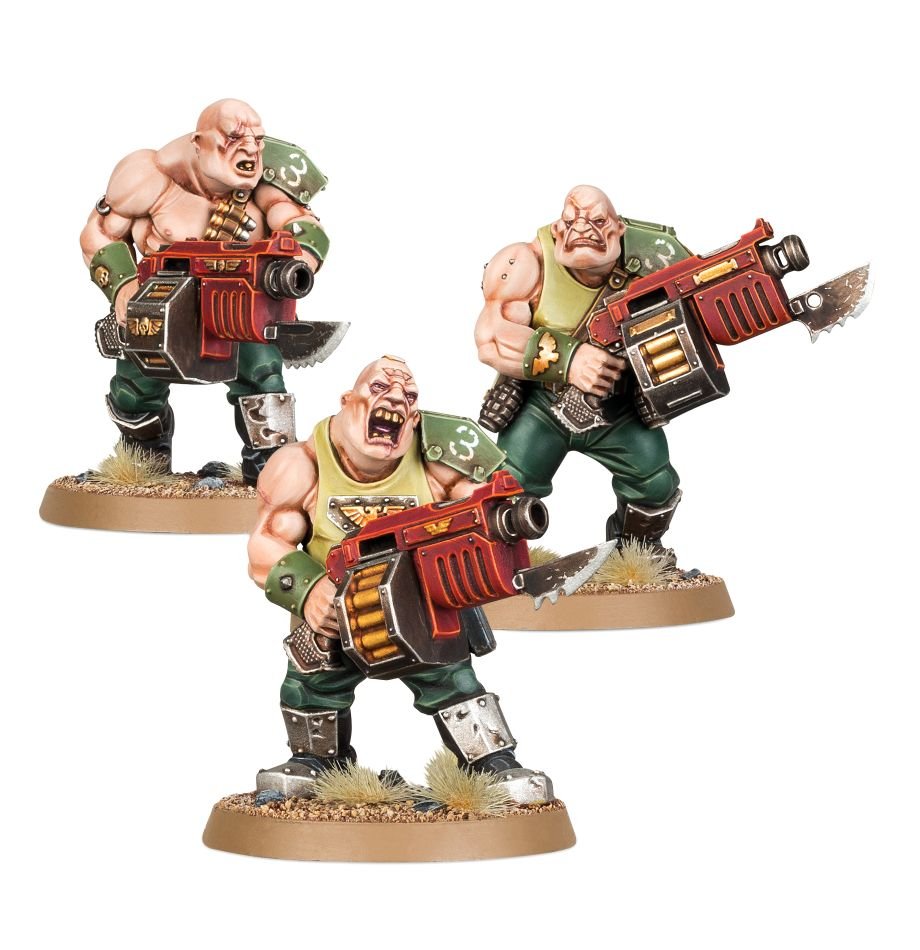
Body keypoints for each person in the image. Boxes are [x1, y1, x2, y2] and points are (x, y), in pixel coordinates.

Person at [247, 356, 552, 804]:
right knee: (313, 680)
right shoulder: (300, 466)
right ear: (347, 401)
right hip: (336, 611)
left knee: (453, 680)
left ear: (413, 417)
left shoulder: (437, 462)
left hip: (420, 604)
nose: (395, 398)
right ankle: (314, 760)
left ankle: (492, 761)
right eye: (379, 388)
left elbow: (480, 508)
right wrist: (310, 590)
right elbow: (265, 544)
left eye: (408, 396)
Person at [80, 99, 330, 483]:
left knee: (263, 383)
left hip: (237, 307)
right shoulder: (149, 176)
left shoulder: (269, 181)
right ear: (199, 142)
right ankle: (143, 463)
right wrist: (124, 287)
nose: (251, 149)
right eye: (234, 138)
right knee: (134, 393)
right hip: (158, 305)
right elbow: (98, 234)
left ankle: (270, 474)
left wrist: (298, 264)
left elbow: (302, 226)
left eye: (258, 139)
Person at [475, 184, 692, 551]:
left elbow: (706, 308)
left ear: (619, 229)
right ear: (557, 229)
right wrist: (570, 359)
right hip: (542, 405)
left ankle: (636, 556)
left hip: (618, 407)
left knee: (655, 485)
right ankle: (498, 564)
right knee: (506, 489)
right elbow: (490, 338)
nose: (582, 229)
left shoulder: (658, 258)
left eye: (597, 221)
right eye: (571, 221)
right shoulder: (526, 262)